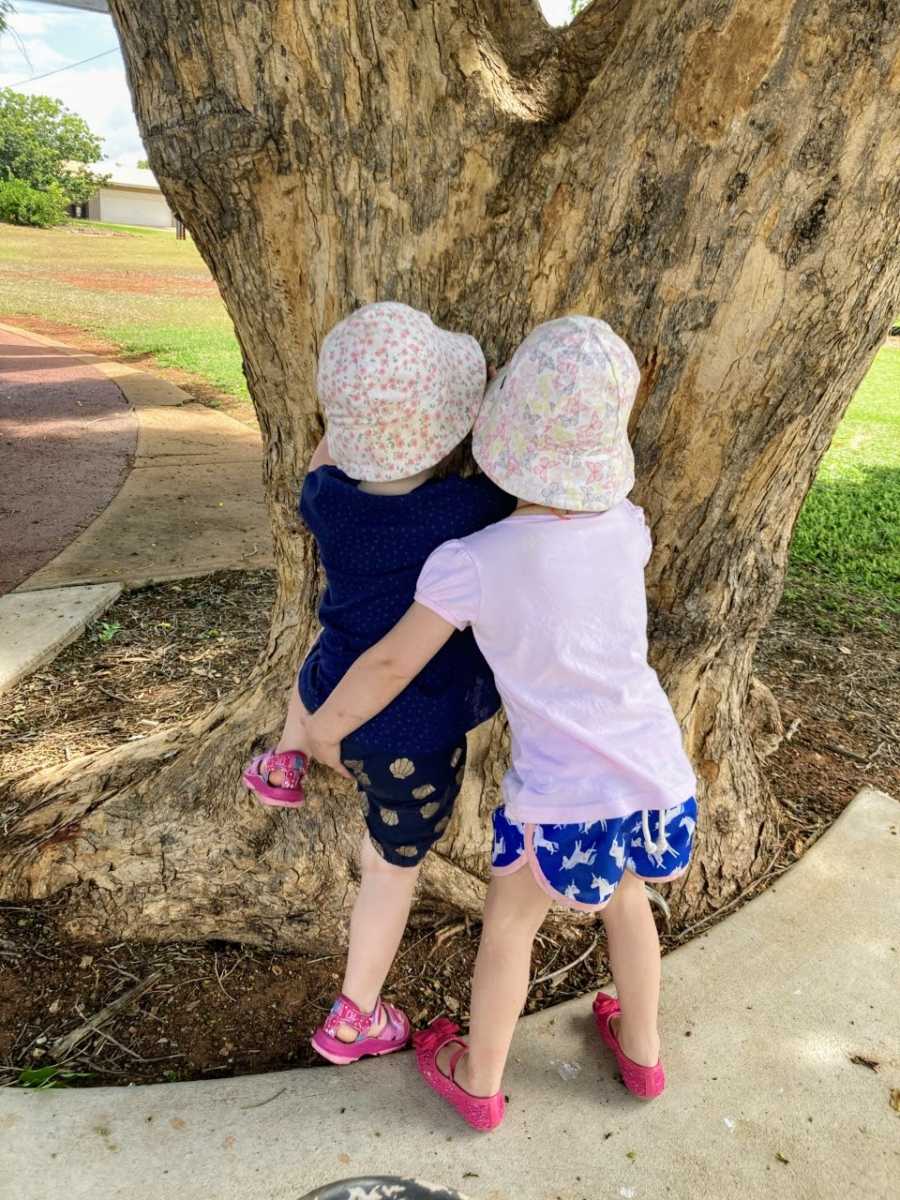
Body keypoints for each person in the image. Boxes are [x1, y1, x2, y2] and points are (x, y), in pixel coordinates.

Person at [300, 315, 698, 1131]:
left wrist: (321, 729)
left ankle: (479, 1078)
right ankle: (646, 1053)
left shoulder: (472, 562)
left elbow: (387, 665)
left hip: (559, 794)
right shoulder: (628, 527)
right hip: (655, 772)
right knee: (628, 903)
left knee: (510, 925)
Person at [243, 301, 515, 1065]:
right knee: (389, 870)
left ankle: (287, 757)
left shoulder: (326, 499)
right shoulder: (464, 510)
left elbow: (320, 460)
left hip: (330, 691)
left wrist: (352, 420)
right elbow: (518, 484)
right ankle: (355, 1013)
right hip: (412, 742)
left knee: (316, 658)